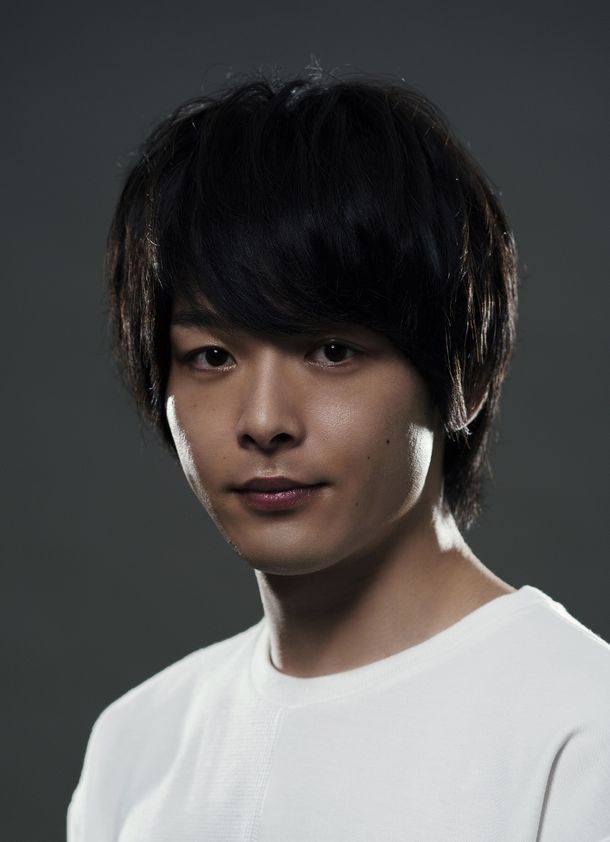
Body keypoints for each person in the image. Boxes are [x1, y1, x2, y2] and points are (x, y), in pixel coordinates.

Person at [67, 68, 610, 841]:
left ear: (463, 374)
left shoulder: (580, 731)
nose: (264, 421)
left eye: (331, 351)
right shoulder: (136, 746)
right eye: (212, 356)